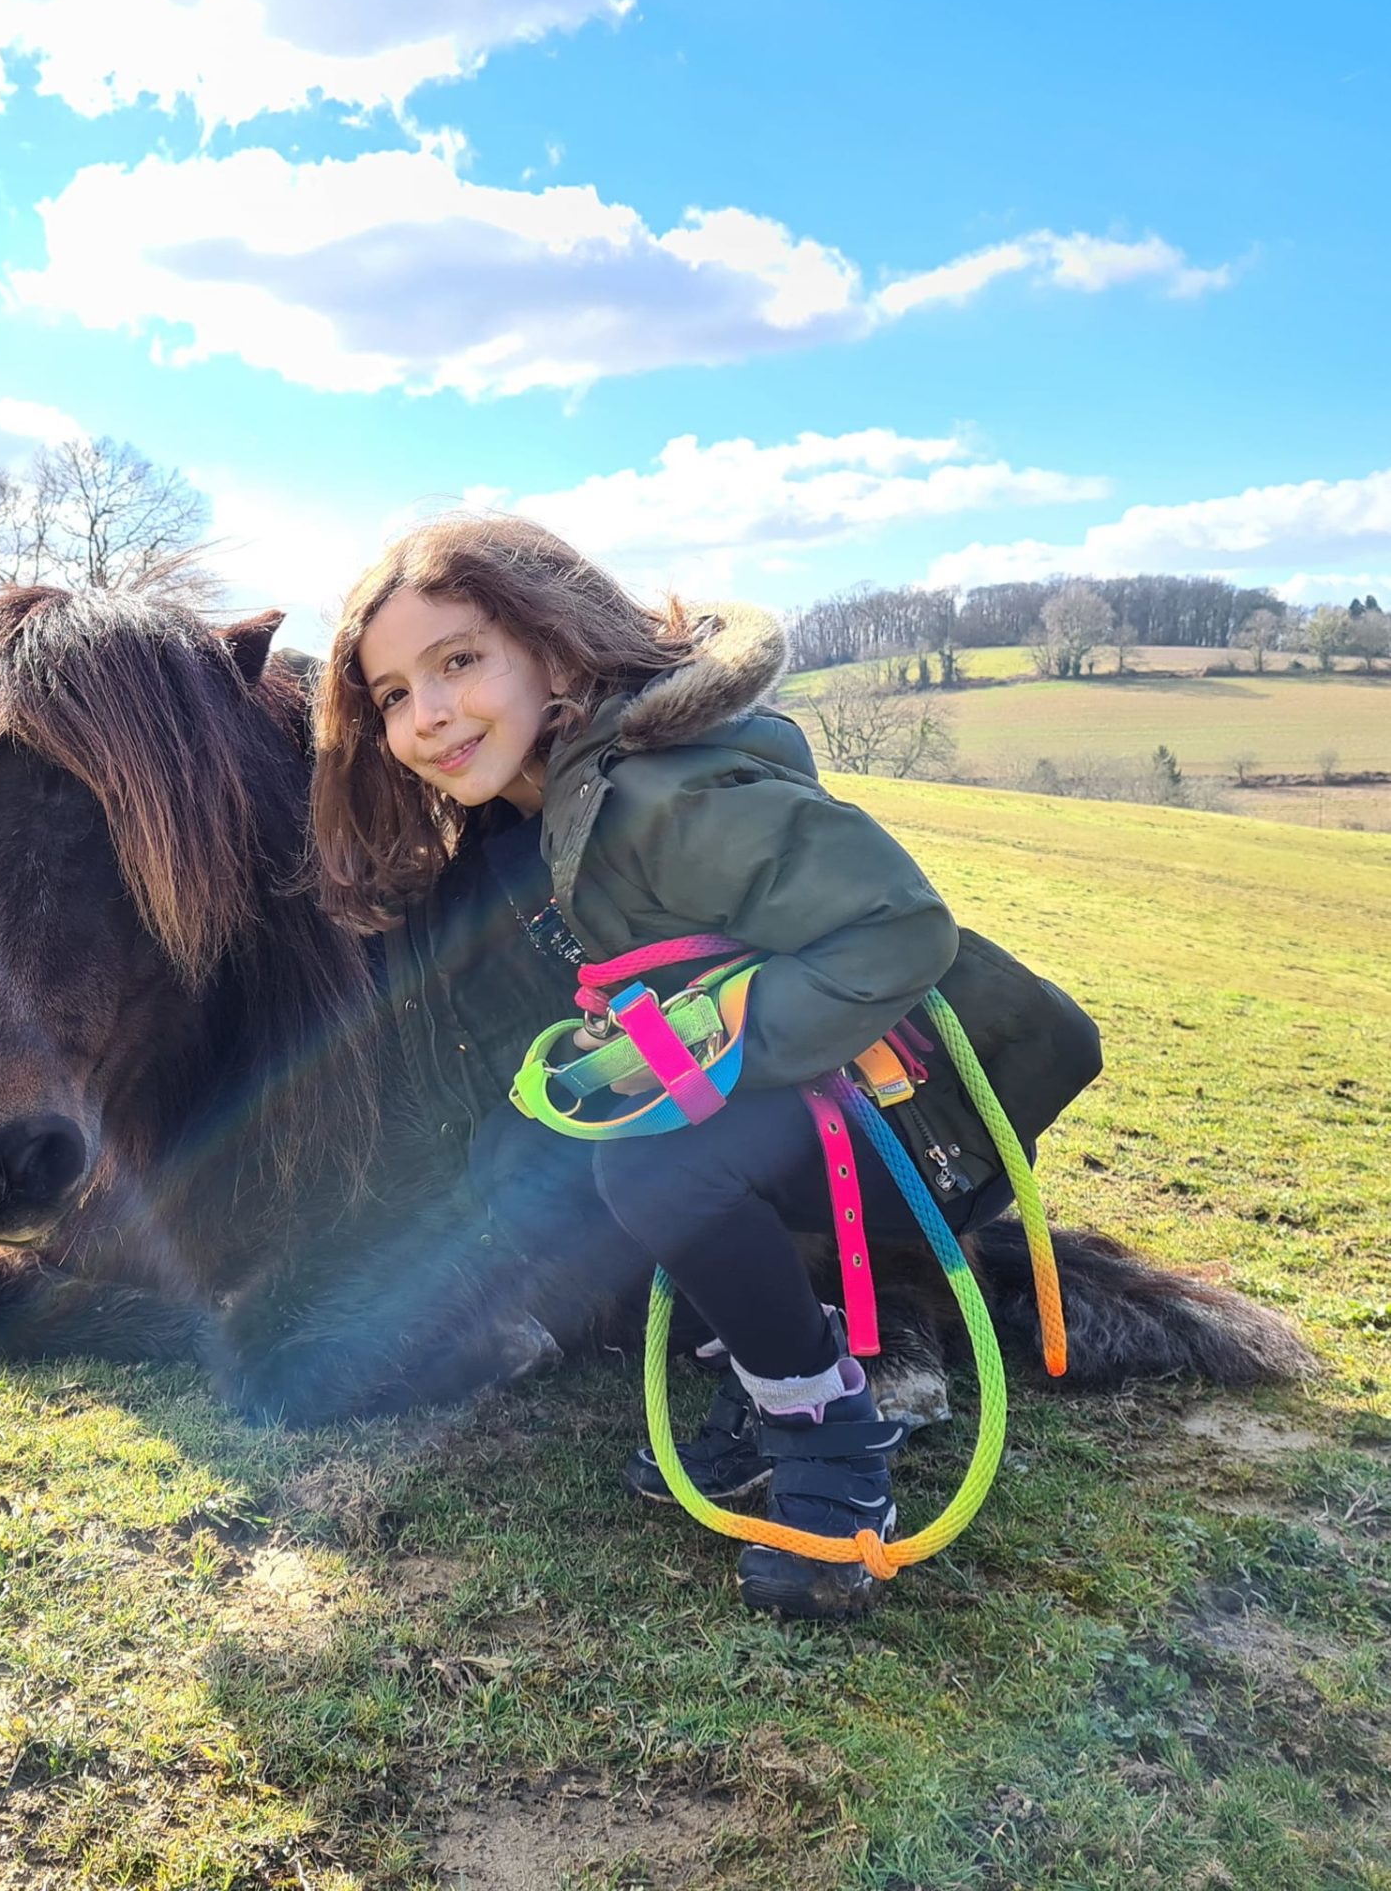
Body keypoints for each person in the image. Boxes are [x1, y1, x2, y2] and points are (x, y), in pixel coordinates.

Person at [309, 515, 1100, 1618]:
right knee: (522, 1158)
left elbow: (897, 928)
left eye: (457, 662)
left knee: (655, 1167)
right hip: (785, 1108)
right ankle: (762, 1359)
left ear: (557, 647)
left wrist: (705, 1063)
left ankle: (829, 1434)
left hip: (895, 1118)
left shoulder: (662, 794)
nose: (427, 713)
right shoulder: (534, 821)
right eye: (392, 693)